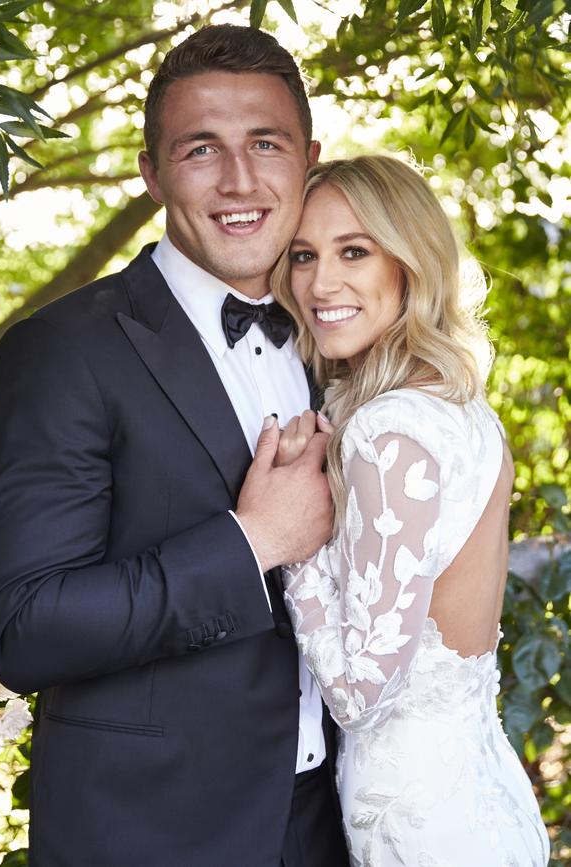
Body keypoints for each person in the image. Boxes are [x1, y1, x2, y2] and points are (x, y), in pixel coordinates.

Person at [0, 24, 349, 867]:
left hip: (333, 822)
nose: (240, 180)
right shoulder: (64, 349)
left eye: (266, 144)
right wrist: (252, 542)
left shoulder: (345, 337)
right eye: (200, 150)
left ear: (309, 161)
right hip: (152, 832)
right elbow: (25, 626)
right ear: (151, 173)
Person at [271, 155, 550, 866]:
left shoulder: (386, 431)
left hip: (422, 827)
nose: (319, 282)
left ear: (410, 262)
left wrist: (294, 543)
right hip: (484, 799)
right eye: (303, 255)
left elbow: (363, 693)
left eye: (353, 251)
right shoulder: (460, 409)